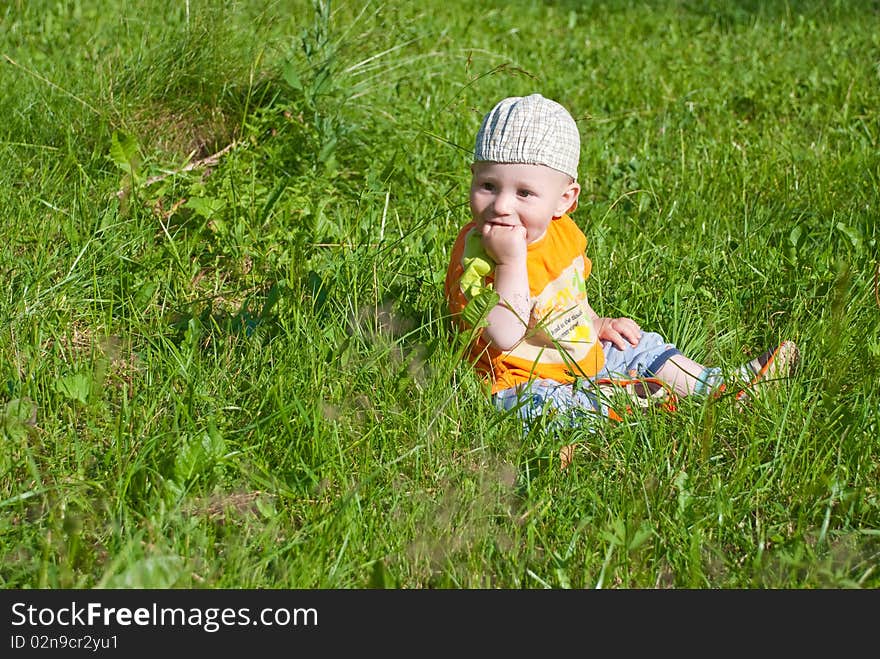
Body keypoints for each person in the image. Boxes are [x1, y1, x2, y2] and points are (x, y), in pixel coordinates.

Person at [444, 93, 799, 467]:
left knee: (637, 345)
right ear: (473, 179)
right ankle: (635, 404)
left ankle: (720, 387)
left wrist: (597, 323)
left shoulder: (564, 234)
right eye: (488, 186)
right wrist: (510, 261)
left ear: (564, 201)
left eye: (525, 193)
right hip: (519, 380)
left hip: (579, 352)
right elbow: (503, 334)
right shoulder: (477, 256)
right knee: (541, 409)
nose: (502, 205)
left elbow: (570, 297)